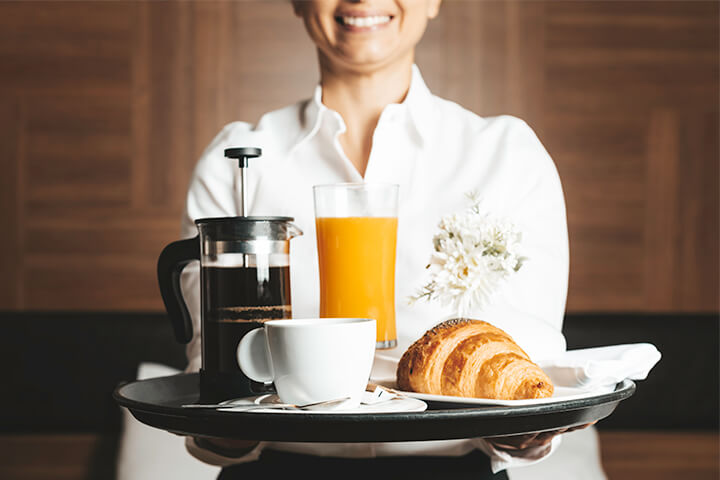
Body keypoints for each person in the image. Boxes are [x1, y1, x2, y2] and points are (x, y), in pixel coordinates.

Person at [180, 1, 582, 478]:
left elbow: (534, 370)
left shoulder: (507, 156)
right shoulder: (236, 166)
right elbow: (212, 373)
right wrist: (223, 422)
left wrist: (524, 426)